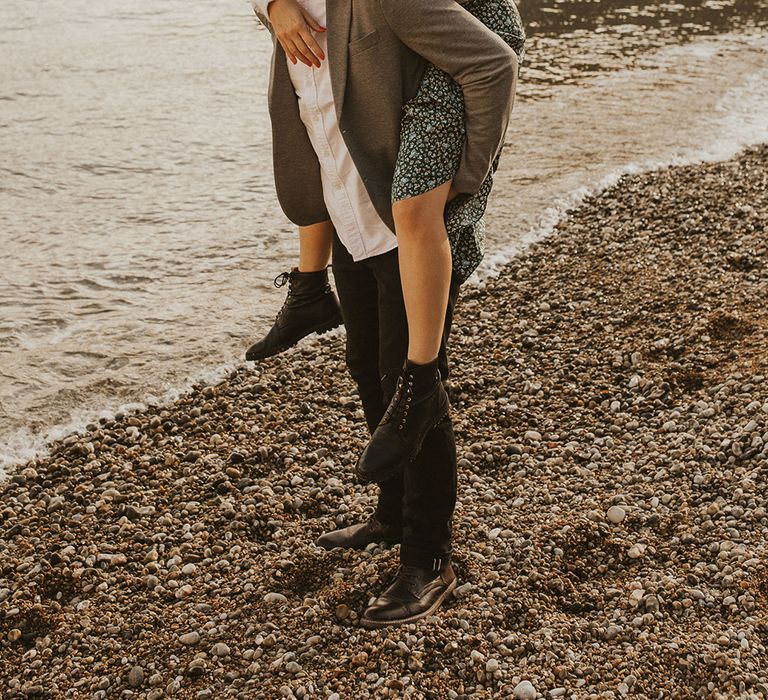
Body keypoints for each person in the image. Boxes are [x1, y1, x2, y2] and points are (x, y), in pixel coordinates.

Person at [250, 0, 522, 626]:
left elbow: (493, 61)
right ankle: (394, 515)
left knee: (414, 383)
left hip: (406, 224)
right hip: (351, 204)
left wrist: (466, 177)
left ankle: (430, 557)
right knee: (366, 365)